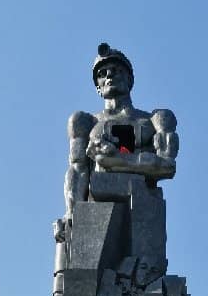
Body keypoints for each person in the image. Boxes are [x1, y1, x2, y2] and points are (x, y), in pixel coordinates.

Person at [63, 43, 179, 222]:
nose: (109, 75)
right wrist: (71, 213)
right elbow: (77, 170)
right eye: (102, 74)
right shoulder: (85, 123)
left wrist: (117, 160)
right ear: (98, 88)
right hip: (97, 209)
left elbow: (168, 166)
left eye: (116, 70)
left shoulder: (155, 120)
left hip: (141, 204)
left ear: (129, 79)